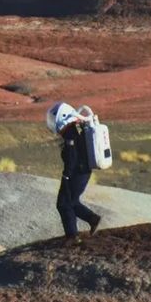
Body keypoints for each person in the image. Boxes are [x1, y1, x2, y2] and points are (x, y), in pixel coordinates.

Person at [47, 101, 101, 243]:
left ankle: (73, 236)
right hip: (83, 170)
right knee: (71, 201)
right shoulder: (78, 127)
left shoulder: (71, 131)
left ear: (62, 117)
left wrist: (66, 175)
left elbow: (72, 156)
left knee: (64, 203)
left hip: (77, 172)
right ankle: (92, 219)